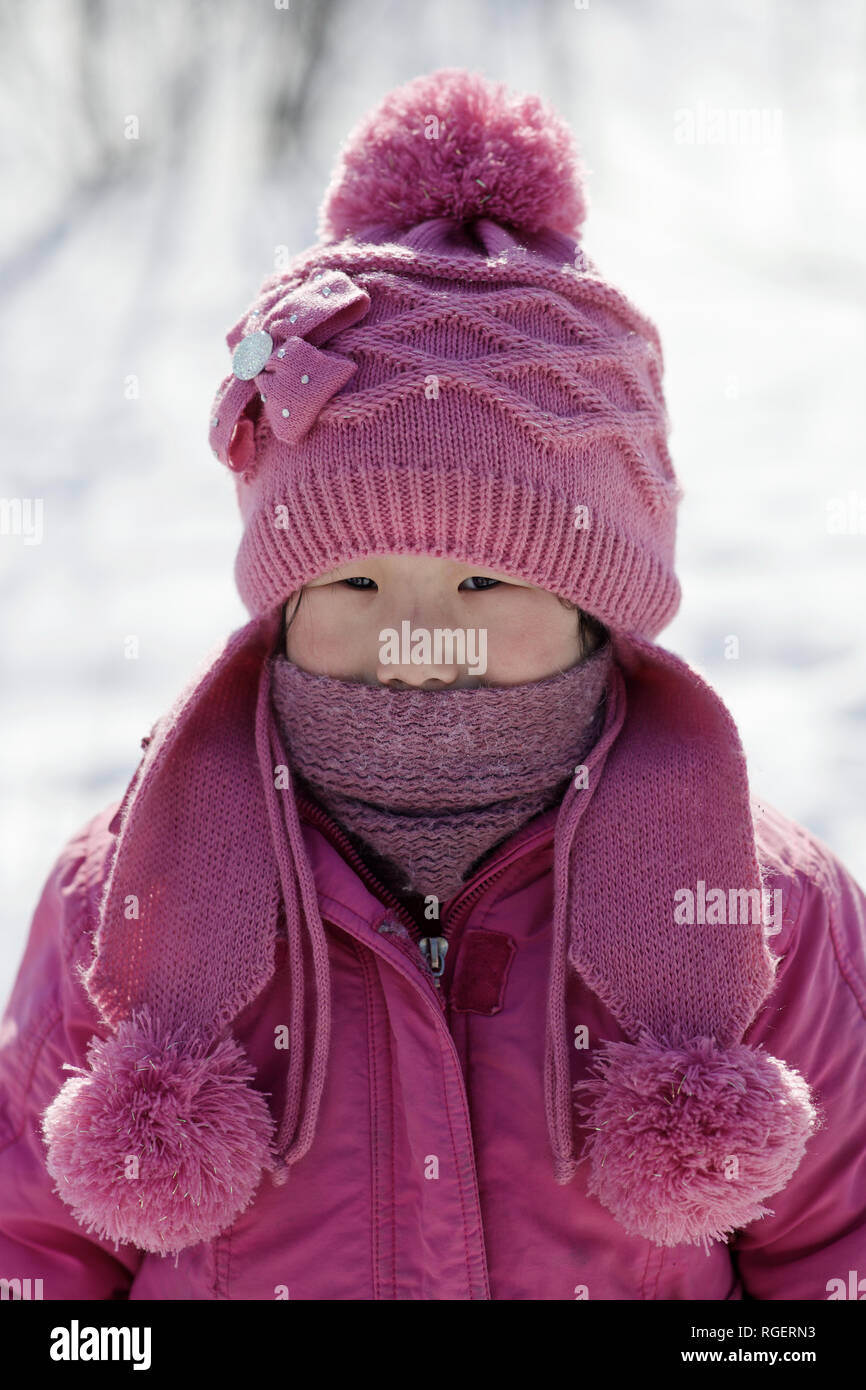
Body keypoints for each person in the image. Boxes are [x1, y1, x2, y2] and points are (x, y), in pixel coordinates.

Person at [1, 67, 865, 1302]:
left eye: (479, 587)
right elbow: (34, 1253)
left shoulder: (754, 909)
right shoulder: (124, 903)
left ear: (596, 605)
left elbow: (835, 1251)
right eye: (352, 585)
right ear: (279, 603)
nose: (415, 632)